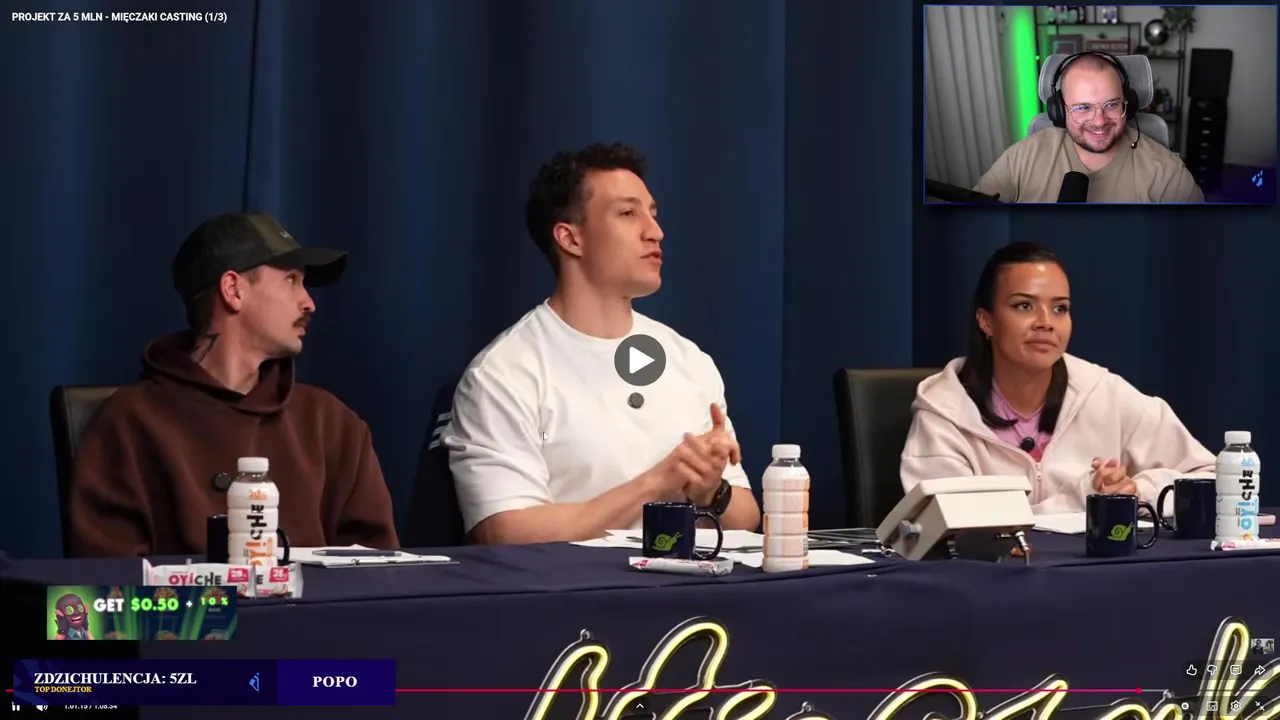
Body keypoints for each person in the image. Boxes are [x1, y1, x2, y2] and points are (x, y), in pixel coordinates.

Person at [445, 142, 762, 544]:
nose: (655, 232)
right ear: (570, 239)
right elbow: (504, 532)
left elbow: (747, 516)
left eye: (653, 214)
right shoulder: (504, 374)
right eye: (628, 213)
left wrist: (711, 491)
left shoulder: (688, 360)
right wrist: (654, 484)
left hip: (690, 580)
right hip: (574, 584)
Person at [68, 212, 399, 557]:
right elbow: (107, 586)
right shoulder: (129, 423)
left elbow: (375, 569)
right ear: (233, 290)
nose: (309, 302)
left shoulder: (332, 423)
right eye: (291, 280)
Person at [900, 242, 1214, 515]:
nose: (1046, 322)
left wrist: (1136, 492)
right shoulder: (945, 412)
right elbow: (954, 525)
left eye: (1060, 308)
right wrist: (1085, 499)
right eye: (1024, 306)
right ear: (986, 321)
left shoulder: (1103, 393)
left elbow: (1213, 477)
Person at [975, 53, 1204, 203]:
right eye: (1083, 107)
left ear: (1128, 104)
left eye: (1111, 104)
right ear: (1059, 110)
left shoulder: (1167, 172)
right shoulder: (1023, 157)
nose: (1099, 121)